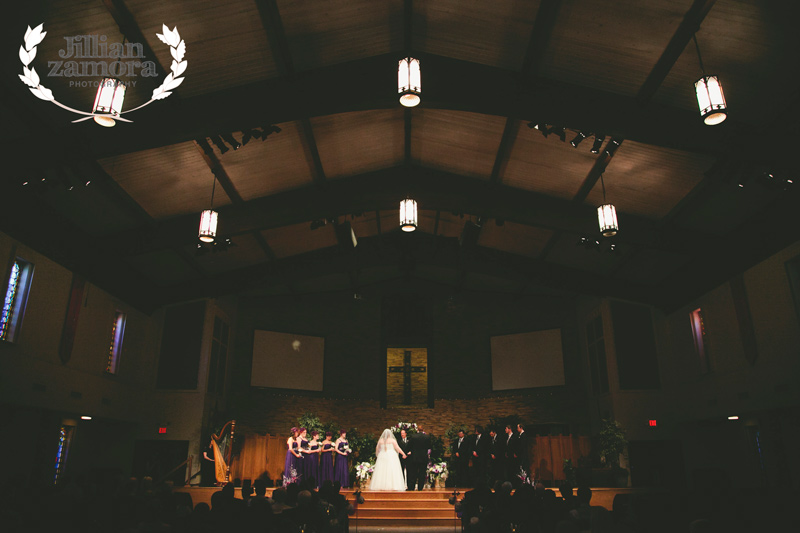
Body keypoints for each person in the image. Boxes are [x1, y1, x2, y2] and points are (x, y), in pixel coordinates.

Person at [408, 425, 431, 490]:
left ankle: (412, 487)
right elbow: (429, 446)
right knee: (422, 473)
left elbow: (409, 446)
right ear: (423, 430)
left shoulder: (413, 436)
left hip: (414, 458)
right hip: (423, 458)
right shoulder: (427, 437)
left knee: (414, 473)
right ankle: (420, 488)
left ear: (417, 430)